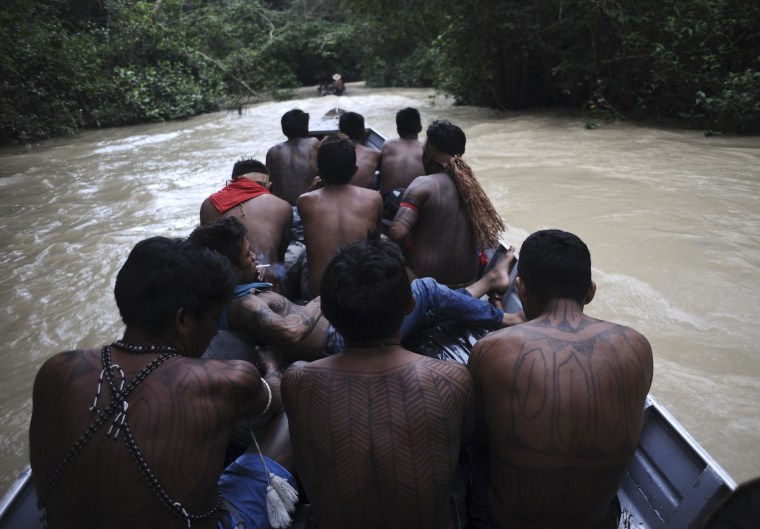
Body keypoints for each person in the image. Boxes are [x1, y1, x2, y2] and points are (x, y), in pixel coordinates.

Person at [29, 237, 293, 529]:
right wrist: (270, 365)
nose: (212, 330)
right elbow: (280, 393)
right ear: (183, 320)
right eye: (213, 318)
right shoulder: (224, 380)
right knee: (295, 407)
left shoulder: (55, 370)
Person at [467, 229, 654, 529]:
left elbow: (476, 434)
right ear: (591, 292)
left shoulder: (492, 349)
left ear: (522, 289)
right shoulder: (637, 346)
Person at [282, 237, 475, 529]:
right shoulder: (451, 379)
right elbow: (467, 437)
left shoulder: (296, 381)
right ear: (411, 304)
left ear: (329, 315)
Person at [189, 218, 523, 364]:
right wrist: (323, 299)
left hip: (337, 331)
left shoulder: (234, 297)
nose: (254, 256)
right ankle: (507, 317)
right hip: (340, 339)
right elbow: (291, 331)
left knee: (427, 301)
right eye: (247, 254)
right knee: (427, 289)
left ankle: (487, 283)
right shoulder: (244, 304)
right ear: (229, 267)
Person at [389, 119, 505, 287]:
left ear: (427, 158)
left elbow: (397, 234)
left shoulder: (423, 185)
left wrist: (409, 244)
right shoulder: (473, 189)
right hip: (467, 283)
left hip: (427, 286)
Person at [297, 135, 383, 299]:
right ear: (355, 170)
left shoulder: (305, 201)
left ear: (319, 173)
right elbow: (375, 242)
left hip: (321, 293)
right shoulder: (374, 198)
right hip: (363, 288)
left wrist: (311, 189)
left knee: (301, 255)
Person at [199, 158, 293, 292]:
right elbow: (279, 260)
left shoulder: (208, 205)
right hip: (268, 291)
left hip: (222, 291)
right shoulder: (282, 206)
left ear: (232, 182)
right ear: (268, 185)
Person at [266, 109, 319, 207]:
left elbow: (268, 182)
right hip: (308, 207)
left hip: (282, 209)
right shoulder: (314, 143)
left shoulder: (273, 151)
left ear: (284, 129)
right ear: (306, 127)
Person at [378, 107, 425, 195]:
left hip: (387, 201)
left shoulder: (387, 145)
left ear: (398, 129)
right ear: (420, 128)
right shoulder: (426, 150)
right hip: (412, 204)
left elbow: (380, 170)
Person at [338, 111, 381, 188]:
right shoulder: (375, 154)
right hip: (362, 197)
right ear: (363, 133)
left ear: (340, 132)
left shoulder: (327, 151)